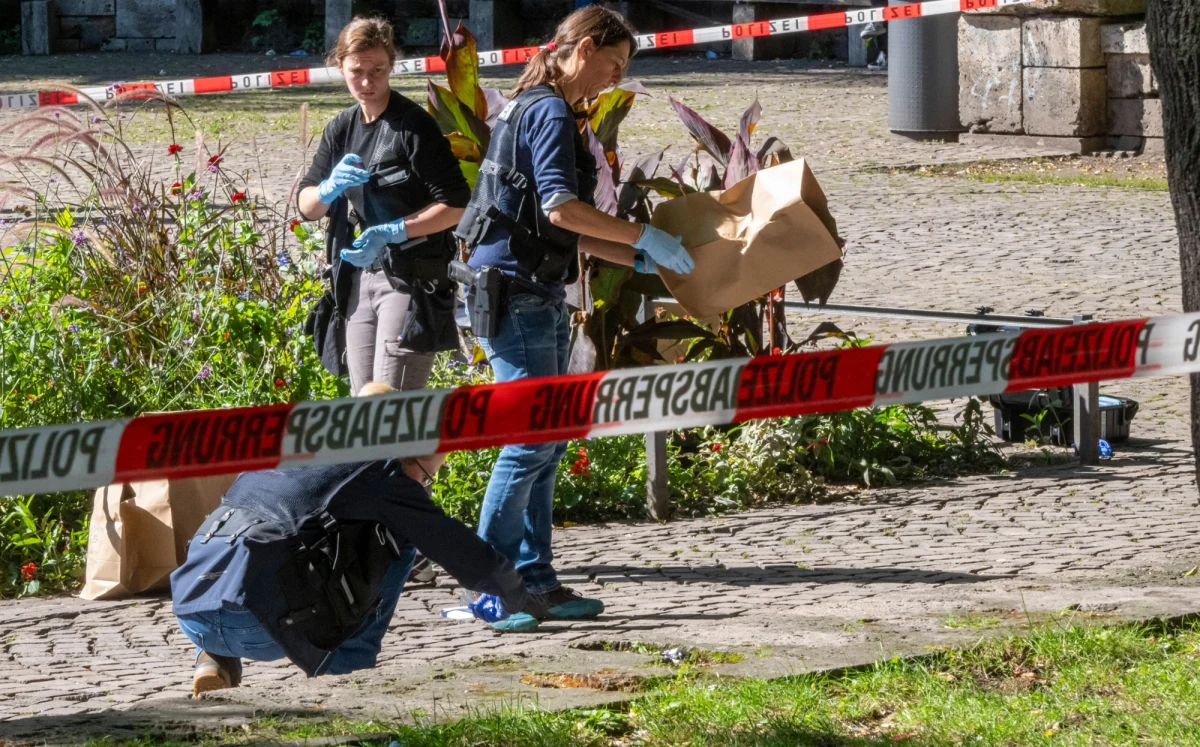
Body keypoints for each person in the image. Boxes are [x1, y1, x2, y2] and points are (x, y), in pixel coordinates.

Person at [454, 6, 695, 630]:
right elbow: (563, 209)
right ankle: (492, 586)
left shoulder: (534, 104)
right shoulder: (550, 110)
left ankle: (534, 579)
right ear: (583, 49)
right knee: (531, 438)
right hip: (518, 294)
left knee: (548, 439)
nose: (612, 80)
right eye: (612, 65)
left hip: (528, 287)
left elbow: (562, 228)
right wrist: (644, 234)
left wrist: (643, 253)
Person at [172, 383, 544, 698]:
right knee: (400, 541)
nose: (422, 489)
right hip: (260, 628)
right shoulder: (382, 470)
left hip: (191, 607)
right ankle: (352, 679)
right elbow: (461, 552)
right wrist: (515, 593)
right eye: (426, 478)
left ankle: (212, 659)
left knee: (249, 553)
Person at [298, 17, 469, 398]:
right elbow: (307, 205)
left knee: (390, 403)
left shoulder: (413, 126)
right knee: (364, 405)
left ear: (392, 66)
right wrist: (327, 189)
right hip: (361, 277)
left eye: (377, 70)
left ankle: (406, 461)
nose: (366, 82)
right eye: (356, 71)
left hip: (410, 277)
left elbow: (457, 204)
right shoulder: (342, 127)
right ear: (340, 67)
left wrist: (393, 230)